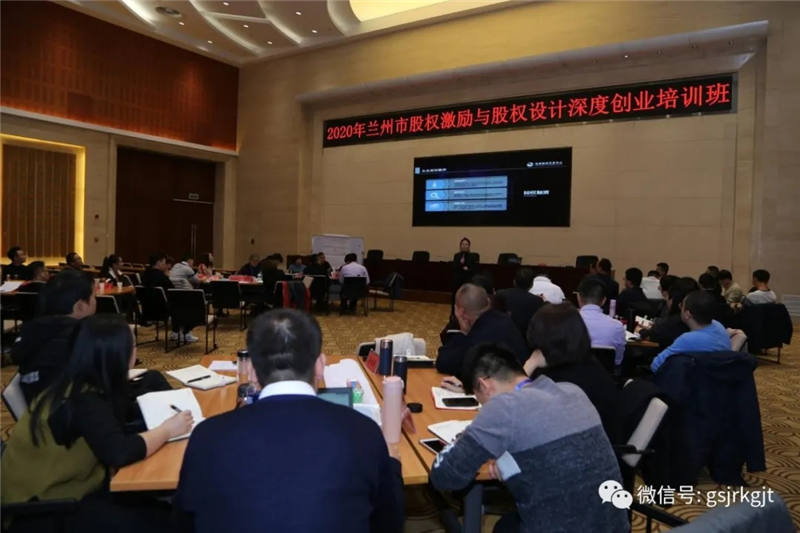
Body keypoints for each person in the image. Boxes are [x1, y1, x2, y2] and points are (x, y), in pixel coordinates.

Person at [173, 309, 404, 533]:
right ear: (320, 365)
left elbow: (185, 521)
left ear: (251, 371)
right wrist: (391, 460)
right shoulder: (363, 431)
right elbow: (390, 523)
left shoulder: (206, 436)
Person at [1, 315, 192, 532]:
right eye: (133, 346)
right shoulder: (83, 400)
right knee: (164, 521)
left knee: (163, 510)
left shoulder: (73, 382)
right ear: (115, 356)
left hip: (66, 491)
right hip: (43, 510)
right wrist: (167, 430)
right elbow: (119, 452)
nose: (136, 353)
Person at [429, 343, 628, 533]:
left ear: (484, 385)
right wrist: (508, 463)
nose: (483, 408)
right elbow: (556, 457)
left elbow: (444, 477)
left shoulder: (503, 408)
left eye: (480, 400)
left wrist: (465, 436)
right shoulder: (573, 392)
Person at [524, 304, 622, 443]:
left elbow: (516, 411)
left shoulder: (564, 380)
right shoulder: (587, 363)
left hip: (581, 448)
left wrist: (529, 366)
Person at [12, 270, 97, 403]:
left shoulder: (36, 330)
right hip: (64, 408)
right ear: (80, 306)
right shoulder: (74, 340)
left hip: (40, 405)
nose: (96, 302)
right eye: (94, 297)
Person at [436, 283, 528, 377]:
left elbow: (444, 362)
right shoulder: (504, 319)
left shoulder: (478, 336)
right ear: (488, 301)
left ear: (461, 311)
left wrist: (463, 332)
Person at [650, 290, 732, 373]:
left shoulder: (688, 339)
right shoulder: (719, 326)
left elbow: (656, 365)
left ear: (687, 314)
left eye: (682, 306)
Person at [577, 278, 626, 366]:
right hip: (605, 373)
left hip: (572, 373)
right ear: (604, 300)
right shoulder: (617, 326)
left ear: (579, 298)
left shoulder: (565, 322)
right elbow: (618, 361)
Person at [639, 277, 698, 349]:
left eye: (668, 296)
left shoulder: (670, 324)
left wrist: (643, 330)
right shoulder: (701, 322)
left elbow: (647, 335)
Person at [494, 267, 544, 341]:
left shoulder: (500, 294)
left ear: (514, 281)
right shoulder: (537, 301)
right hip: (525, 339)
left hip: (501, 336)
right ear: (532, 284)